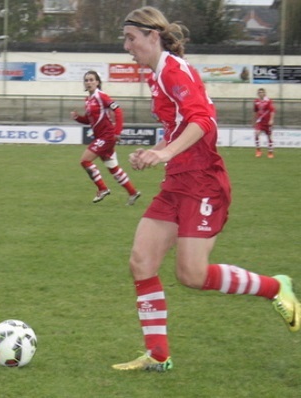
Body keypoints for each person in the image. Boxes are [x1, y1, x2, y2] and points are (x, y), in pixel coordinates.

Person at [112, 6, 299, 372]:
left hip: (202, 184)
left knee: (192, 275)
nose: (126, 46)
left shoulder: (172, 70)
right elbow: (181, 123)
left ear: (153, 36)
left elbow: (204, 121)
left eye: (131, 38)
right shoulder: (157, 74)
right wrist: (154, 153)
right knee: (141, 261)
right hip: (177, 182)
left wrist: (164, 151)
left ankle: (276, 287)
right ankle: (158, 355)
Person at [71, 71, 141, 205]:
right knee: (113, 168)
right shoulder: (88, 100)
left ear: (97, 82)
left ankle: (102, 188)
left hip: (107, 136)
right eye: (86, 80)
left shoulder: (101, 96)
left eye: (91, 80)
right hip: (101, 136)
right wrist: (78, 118)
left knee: (85, 161)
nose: (88, 82)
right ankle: (133, 193)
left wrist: (117, 132)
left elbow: (118, 110)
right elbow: (90, 121)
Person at [253, 88, 275, 158]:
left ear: (264, 93)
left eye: (262, 92)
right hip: (260, 121)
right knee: (256, 134)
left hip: (267, 122)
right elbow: (255, 111)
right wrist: (254, 120)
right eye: (259, 92)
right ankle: (258, 150)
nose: (260, 93)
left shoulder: (268, 101)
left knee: (269, 136)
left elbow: (272, 111)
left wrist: (271, 120)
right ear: (258, 94)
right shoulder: (256, 101)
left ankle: (270, 152)